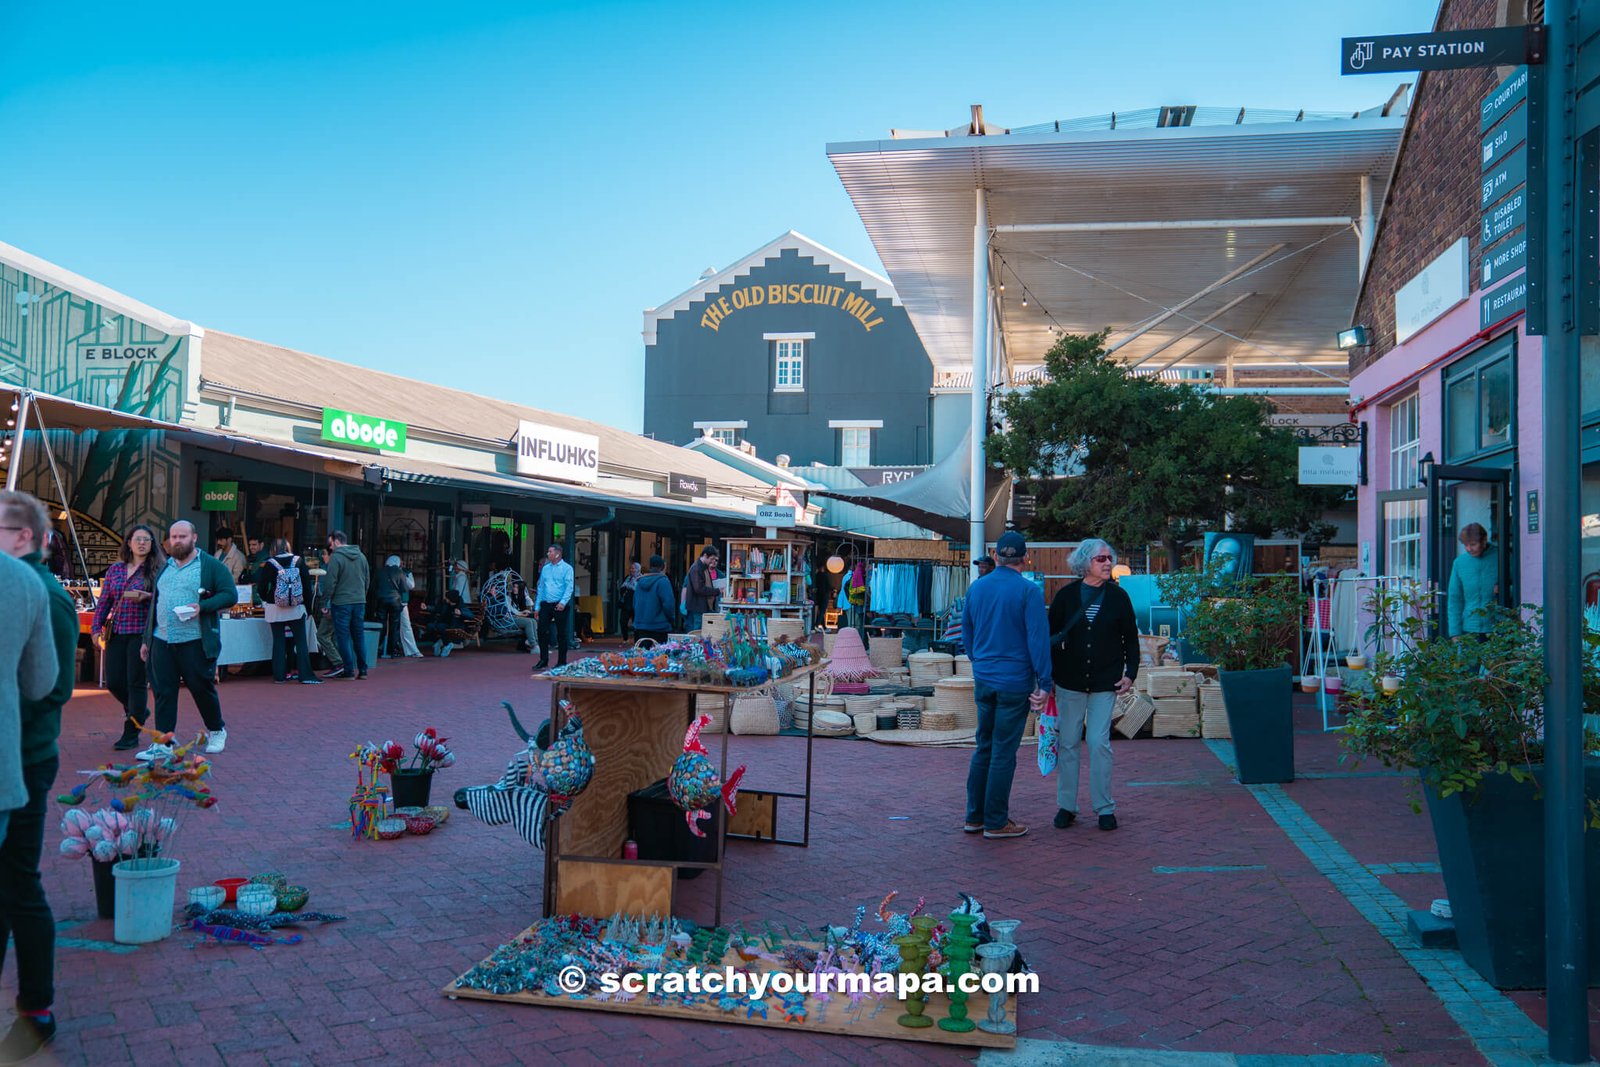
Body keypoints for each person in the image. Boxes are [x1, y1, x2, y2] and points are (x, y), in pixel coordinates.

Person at [0, 491, 74, 1061]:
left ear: (24, 536)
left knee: (19, 884)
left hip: (23, 758)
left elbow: (51, 687)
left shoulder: (42, 593)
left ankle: (37, 1008)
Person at [960, 530, 1051, 840]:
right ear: (1025, 559)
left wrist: (980, 661)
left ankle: (975, 816)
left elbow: (967, 636)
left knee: (983, 746)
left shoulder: (977, 588)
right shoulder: (1029, 592)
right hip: (1015, 681)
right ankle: (996, 820)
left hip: (984, 678)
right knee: (1003, 751)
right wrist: (1045, 683)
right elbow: (1038, 641)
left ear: (996, 556)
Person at [1048, 538, 1140, 833]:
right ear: (1085, 562)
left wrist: (1131, 673)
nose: (1107, 563)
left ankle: (1104, 807)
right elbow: (1049, 638)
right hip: (1069, 681)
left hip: (1105, 681)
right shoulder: (1066, 596)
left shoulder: (1118, 597)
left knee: (1100, 744)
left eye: (1109, 558)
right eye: (1101, 559)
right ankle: (1067, 806)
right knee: (1069, 743)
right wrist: (1046, 677)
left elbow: (1131, 639)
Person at [140, 520, 237, 757]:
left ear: (194, 538)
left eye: (182, 536)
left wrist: (202, 607)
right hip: (162, 639)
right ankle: (164, 742)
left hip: (194, 639)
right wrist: (146, 639)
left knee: (201, 688)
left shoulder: (210, 566)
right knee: (163, 692)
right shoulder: (165, 566)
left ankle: (216, 730)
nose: (177, 541)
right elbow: (156, 603)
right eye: (173, 537)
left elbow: (230, 595)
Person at [91, 524, 165, 749]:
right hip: (117, 631)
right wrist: (96, 628)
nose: (142, 543)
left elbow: (166, 600)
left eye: (146, 539)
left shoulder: (159, 569)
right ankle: (139, 711)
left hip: (142, 634)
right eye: (137, 539)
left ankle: (131, 732)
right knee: (114, 682)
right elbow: (104, 602)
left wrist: (148, 596)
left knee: (136, 683)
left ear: (152, 544)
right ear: (129, 543)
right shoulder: (115, 569)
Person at [256, 539, 321, 686]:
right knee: (301, 641)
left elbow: (261, 586)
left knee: (278, 642)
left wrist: (268, 598)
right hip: (296, 608)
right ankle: (305, 674)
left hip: (275, 607)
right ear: (287, 547)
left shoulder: (270, 563)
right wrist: (308, 608)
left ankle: (279, 676)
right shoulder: (298, 561)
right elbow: (306, 586)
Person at [320, 531, 370, 680]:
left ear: (336, 541)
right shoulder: (361, 556)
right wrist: (362, 595)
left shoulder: (336, 557)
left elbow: (330, 582)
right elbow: (367, 580)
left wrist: (325, 602)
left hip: (341, 602)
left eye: (330, 545)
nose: (330, 548)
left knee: (343, 637)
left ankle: (348, 670)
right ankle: (363, 670)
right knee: (359, 636)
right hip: (359, 601)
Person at [1447, 522, 1500, 638]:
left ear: (1484, 540)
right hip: (1469, 629)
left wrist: (1505, 589)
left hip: (1497, 629)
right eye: (1465, 545)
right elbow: (1455, 599)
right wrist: (1455, 633)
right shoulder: (1459, 563)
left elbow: (1519, 586)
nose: (1469, 549)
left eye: (1473, 544)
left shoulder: (1501, 556)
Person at [533, 544, 575, 670]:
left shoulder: (567, 568)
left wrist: (563, 602)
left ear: (557, 553)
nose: (547, 554)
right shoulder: (545, 569)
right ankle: (543, 659)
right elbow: (541, 588)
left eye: (550, 552)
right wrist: (537, 607)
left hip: (559, 604)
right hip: (546, 603)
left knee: (561, 633)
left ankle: (562, 661)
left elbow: (569, 587)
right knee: (541, 631)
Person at [630, 556, 677, 645]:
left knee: (641, 657)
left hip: (641, 626)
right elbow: (668, 604)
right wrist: (671, 619)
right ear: (662, 567)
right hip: (659, 627)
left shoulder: (640, 582)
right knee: (658, 657)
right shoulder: (663, 581)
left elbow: (635, 603)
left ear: (650, 566)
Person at [376, 555, 410, 659]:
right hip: (395, 600)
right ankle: (393, 650)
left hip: (382, 599)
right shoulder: (400, 572)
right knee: (394, 626)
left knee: (381, 624)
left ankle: (379, 648)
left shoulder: (380, 572)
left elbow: (373, 586)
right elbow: (404, 588)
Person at [423, 589, 473, 657]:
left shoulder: (460, 606)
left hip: (454, 625)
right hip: (444, 623)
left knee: (440, 627)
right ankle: (440, 643)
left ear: (451, 599)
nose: (445, 598)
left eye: (447, 597)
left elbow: (470, 615)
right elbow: (436, 609)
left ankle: (447, 644)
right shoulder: (445, 604)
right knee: (429, 626)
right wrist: (426, 607)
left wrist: (461, 613)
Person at [685, 546, 721, 633]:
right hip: (697, 607)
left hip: (701, 606)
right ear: (705, 555)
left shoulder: (702, 567)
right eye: (711, 558)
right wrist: (716, 591)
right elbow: (698, 588)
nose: (712, 561)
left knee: (700, 631)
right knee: (697, 631)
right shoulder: (697, 568)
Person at [504, 577, 540, 653]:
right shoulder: (508, 597)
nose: (514, 589)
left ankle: (535, 643)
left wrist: (526, 598)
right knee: (528, 622)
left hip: (516, 617)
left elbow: (529, 604)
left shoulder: (521, 597)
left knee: (533, 621)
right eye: (514, 587)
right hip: (510, 619)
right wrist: (522, 614)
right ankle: (533, 645)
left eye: (517, 587)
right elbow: (512, 612)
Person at [619, 562, 642, 640]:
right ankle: (625, 638)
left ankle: (637, 640)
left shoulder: (641, 579)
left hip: (636, 604)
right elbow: (621, 589)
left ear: (638, 569)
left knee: (636, 624)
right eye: (631, 568)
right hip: (626, 604)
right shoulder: (627, 578)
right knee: (622, 621)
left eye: (633, 568)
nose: (631, 570)